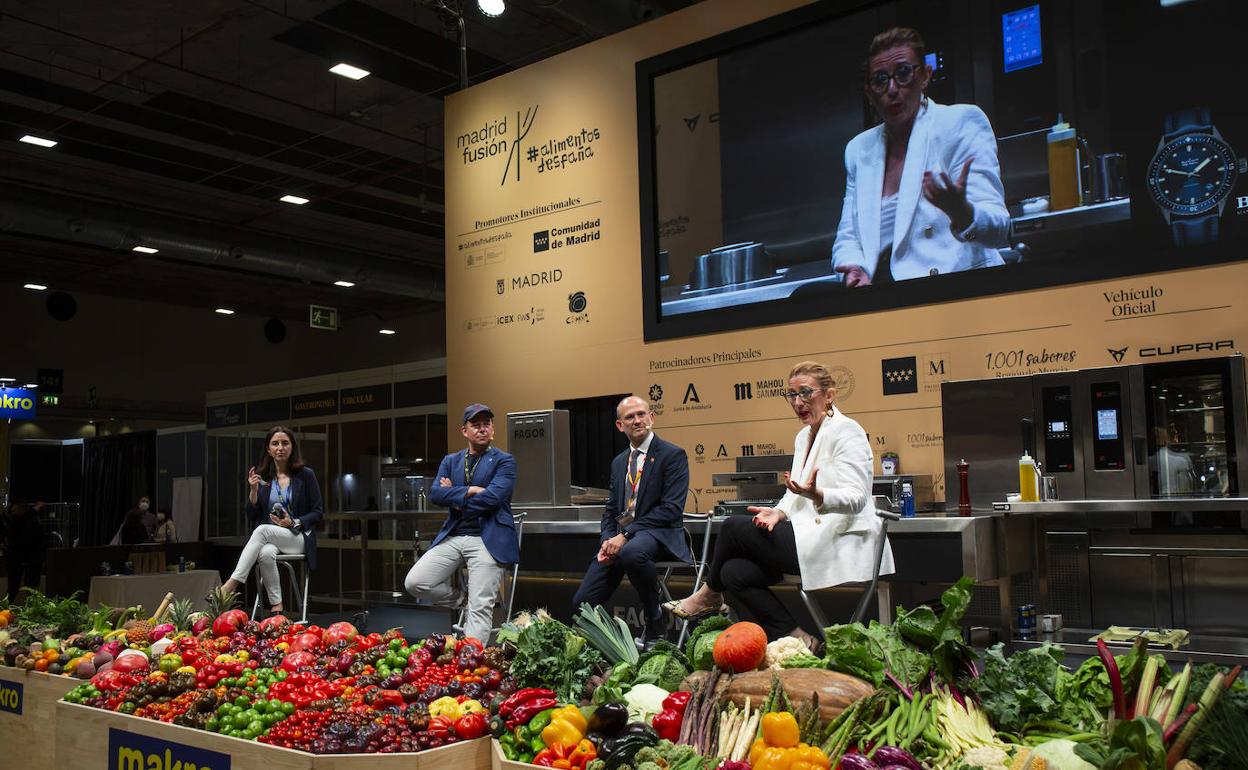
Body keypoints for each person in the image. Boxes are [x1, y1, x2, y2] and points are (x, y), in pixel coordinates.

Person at [666, 361, 895, 650]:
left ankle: (708, 595)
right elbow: (795, 492)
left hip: (840, 541)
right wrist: (779, 511)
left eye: (806, 393)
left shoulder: (848, 431)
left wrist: (818, 495)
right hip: (809, 538)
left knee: (734, 528)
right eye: (792, 395)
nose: (798, 402)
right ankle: (799, 637)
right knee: (733, 572)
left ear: (830, 395)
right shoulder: (804, 436)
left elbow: (857, 497)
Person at [832, 27, 1009, 287]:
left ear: (925, 76)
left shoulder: (960, 123)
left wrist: (963, 213)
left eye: (903, 73)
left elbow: (1000, 230)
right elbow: (847, 238)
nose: (892, 89)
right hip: (882, 295)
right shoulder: (859, 149)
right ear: (869, 93)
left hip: (957, 289)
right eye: (880, 80)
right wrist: (854, 269)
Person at [572, 395, 692, 650]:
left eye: (641, 414)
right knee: (580, 605)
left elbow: (670, 510)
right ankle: (613, 650)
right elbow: (611, 509)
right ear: (620, 425)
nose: (637, 420)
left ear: (651, 417)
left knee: (633, 553)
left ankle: (655, 622)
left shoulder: (672, 455)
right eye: (630, 417)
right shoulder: (619, 462)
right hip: (622, 540)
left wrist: (624, 535)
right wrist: (606, 539)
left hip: (658, 534)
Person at [404, 404, 519, 643]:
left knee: (480, 607)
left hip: (489, 538)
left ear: (493, 430)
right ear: (464, 431)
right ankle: (461, 599)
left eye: (486, 424)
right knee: (415, 582)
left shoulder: (504, 461)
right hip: (455, 534)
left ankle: (470, 664)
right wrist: (471, 490)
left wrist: (455, 498)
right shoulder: (451, 461)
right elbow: (435, 494)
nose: (482, 429)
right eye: (475, 425)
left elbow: (493, 498)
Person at [221, 426, 323, 614]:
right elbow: (252, 515)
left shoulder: (306, 475)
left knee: (262, 530)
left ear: (292, 447)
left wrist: (293, 522)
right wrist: (253, 491)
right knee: (265, 553)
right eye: (275, 444)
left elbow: (318, 512)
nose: (280, 447)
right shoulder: (264, 478)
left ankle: (231, 584)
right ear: (268, 449)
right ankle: (277, 608)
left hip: (298, 537)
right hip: (273, 538)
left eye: (285, 443)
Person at [2, 502, 45, 600]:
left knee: (26, 586)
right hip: (22, 558)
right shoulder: (19, 521)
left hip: (26, 557)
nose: (14, 513)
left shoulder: (25, 521)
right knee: (18, 586)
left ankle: (9, 607)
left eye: (15, 511)